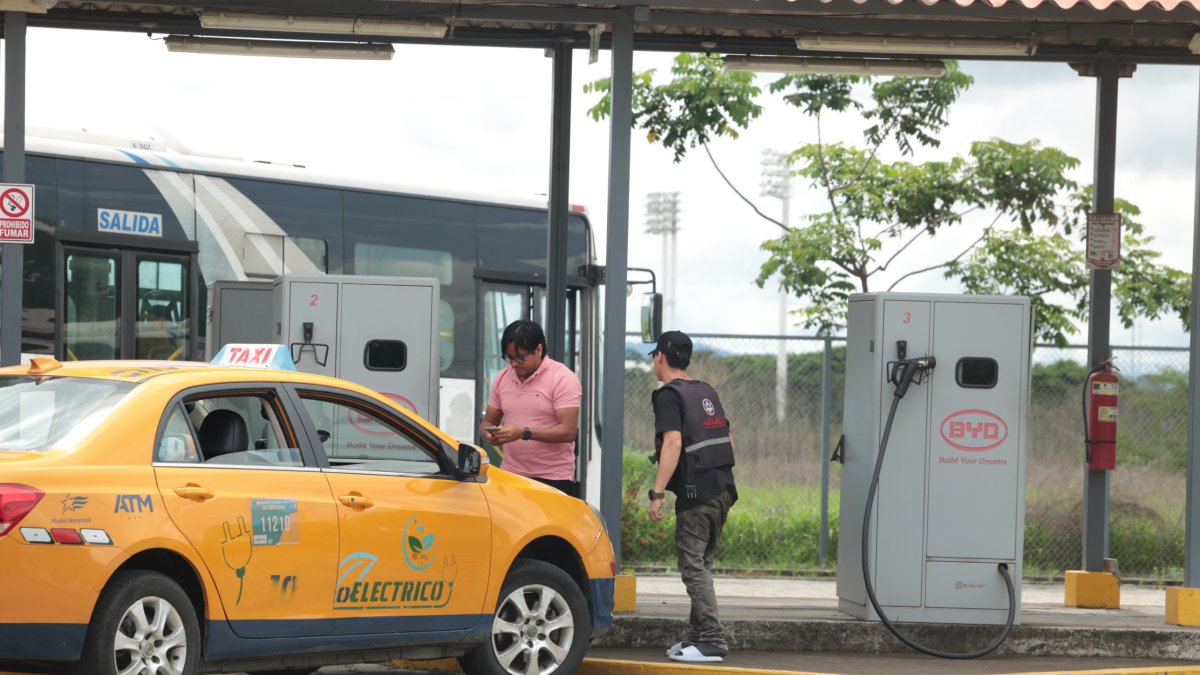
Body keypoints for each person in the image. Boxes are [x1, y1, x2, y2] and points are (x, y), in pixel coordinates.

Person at [646, 330, 737, 663]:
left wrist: (657, 493)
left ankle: (712, 640)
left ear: (660, 357)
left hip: (697, 494)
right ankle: (696, 639)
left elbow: (673, 444)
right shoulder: (706, 390)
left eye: (654, 358)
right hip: (723, 488)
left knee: (692, 567)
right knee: (702, 564)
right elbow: (729, 441)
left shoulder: (668, 395)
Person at [479, 320, 582, 497]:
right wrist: (489, 435)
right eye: (509, 358)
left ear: (539, 350)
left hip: (553, 479)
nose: (514, 364)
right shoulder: (502, 378)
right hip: (511, 475)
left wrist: (523, 433)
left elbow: (568, 432)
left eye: (520, 357)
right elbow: (487, 421)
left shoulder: (563, 378)